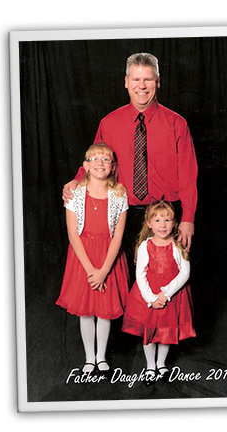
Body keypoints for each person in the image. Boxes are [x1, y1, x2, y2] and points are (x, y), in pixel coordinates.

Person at [62, 53, 198, 256]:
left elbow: (188, 175)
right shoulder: (108, 123)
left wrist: (188, 218)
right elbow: (95, 162)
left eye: (148, 80)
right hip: (121, 214)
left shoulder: (176, 124)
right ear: (126, 82)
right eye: (136, 79)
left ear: (157, 82)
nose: (141, 86)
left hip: (164, 214)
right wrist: (76, 180)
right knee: (123, 282)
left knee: (163, 283)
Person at [56, 143, 129, 376]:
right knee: (86, 311)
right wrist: (91, 270)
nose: (100, 163)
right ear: (85, 166)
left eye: (106, 160)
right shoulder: (75, 193)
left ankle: (101, 357)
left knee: (104, 310)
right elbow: (72, 234)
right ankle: (89, 358)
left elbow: (118, 237)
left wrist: (104, 270)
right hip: (83, 258)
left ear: (113, 167)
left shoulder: (119, 194)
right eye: (95, 159)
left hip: (108, 257)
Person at [122, 200, 196, 385]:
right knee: (150, 331)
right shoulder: (146, 246)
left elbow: (184, 273)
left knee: (166, 331)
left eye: (167, 220)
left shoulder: (177, 245)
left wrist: (165, 294)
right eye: (157, 221)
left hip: (172, 295)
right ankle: (150, 366)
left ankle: (161, 364)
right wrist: (151, 299)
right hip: (149, 295)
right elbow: (140, 274)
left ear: (174, 223)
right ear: (149, 223)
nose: (162, 225)